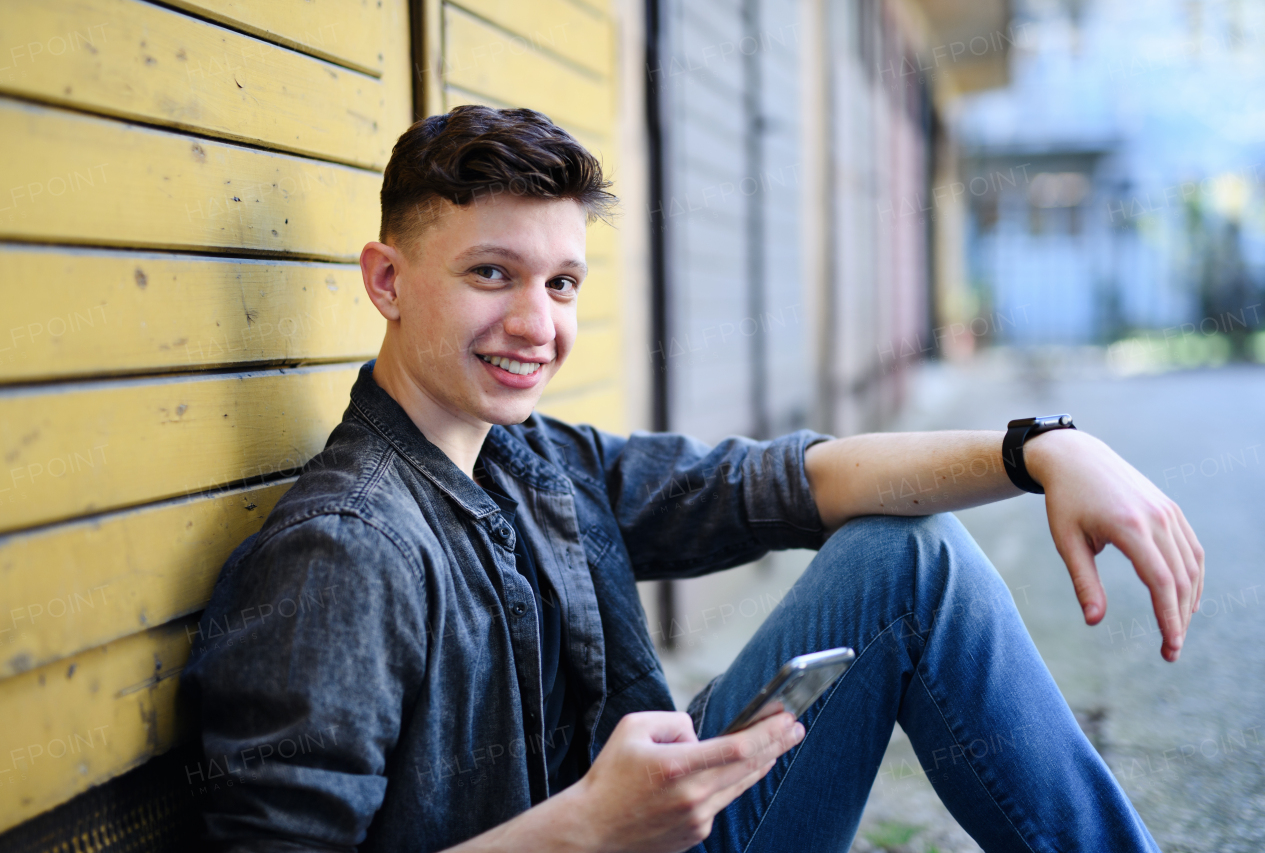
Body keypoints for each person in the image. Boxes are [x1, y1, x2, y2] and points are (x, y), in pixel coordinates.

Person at [181, 105, 1203, 853]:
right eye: (491, 273)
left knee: (909, 551)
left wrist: (1041, 449)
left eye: (561, 282)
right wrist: (586, 827)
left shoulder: (536, 460)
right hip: (609, 838)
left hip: (657, 833)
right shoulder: (342, 555)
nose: (536, 324)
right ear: (387, 280)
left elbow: (776, 483)